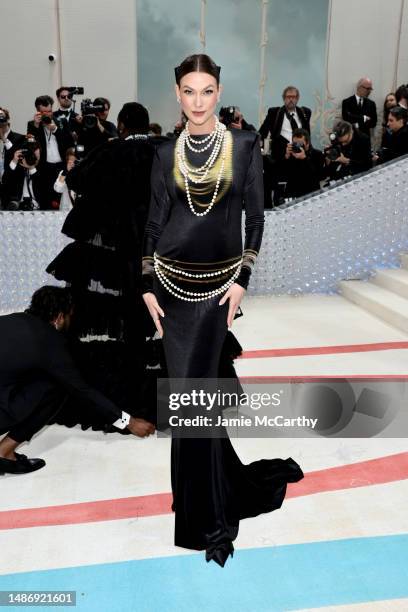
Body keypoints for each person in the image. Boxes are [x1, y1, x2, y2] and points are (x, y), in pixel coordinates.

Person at [142, 54, 304, 567]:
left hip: (217, 293)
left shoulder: (244, 145)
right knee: (188, 403)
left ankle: (206, 515)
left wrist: (243, 281)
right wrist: (146, 284)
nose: (197, 101)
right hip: (169, 288)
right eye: (188, 91)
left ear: (219, 92)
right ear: (176, 94)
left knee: (196, 399)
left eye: (206, 91)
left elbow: (255, 220)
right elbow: (152, 225)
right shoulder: (164, 151)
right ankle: (204, 503)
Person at [47, 102, 157, 428]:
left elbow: (76, 178)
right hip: (156, 252)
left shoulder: (110, 151)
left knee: (111, 322)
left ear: (121, 124)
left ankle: (111, 401)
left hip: (111, 255)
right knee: (153, 322)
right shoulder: (164, 151)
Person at [0, 286, 155, 475]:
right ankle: (4, 452)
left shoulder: (9, 321)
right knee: (58, 386)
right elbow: (83, 391)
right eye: (70, 315)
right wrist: (129, 422)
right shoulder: (50, 342)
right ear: (59, 317)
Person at [259, 85, 312, 161]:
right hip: (282, 154)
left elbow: (307, 133)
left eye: (293, 97)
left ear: (297, 99)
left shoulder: (305, 113)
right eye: (288, 97)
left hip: (301, 151)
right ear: (284, 99)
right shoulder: (274, 113)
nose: (291, 99)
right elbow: (263, 132)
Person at [281, 128, 326, 198]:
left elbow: (318, 177)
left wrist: (305, 159)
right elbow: (281, 175)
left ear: (307, 143)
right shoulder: (290, 155)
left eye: (300, 144)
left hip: (311, 195)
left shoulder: (318, 154)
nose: (298, 146)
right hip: (292, 195)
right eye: (295, 144)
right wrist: (286, 157)